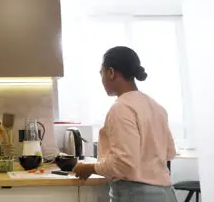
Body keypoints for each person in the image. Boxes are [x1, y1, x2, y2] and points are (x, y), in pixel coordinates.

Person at [72, 46, 177, 202]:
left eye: (101, 73)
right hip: (166, 193)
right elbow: (169, 152)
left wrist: (90, 168)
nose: (101, 79)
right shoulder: (156, 106)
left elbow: (124, 163)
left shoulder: (121, 108)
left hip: (136, 194)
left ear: (111, 72)